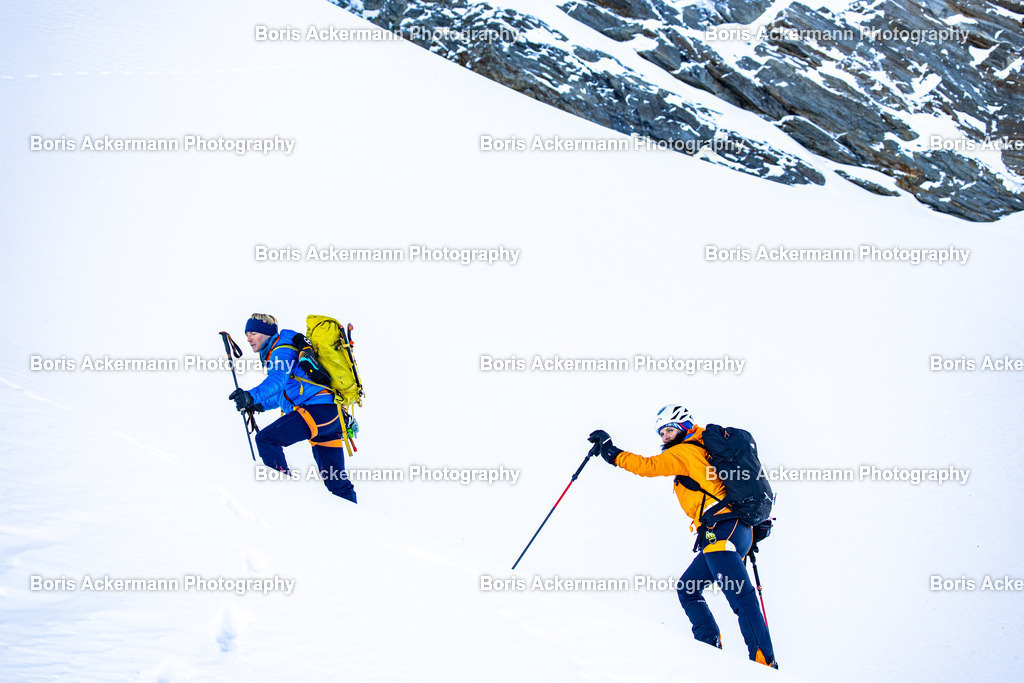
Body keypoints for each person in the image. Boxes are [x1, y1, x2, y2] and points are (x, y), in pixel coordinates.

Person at [588, 405, 776, 668]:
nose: (664, 436)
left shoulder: (685, 451)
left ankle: (763, 662)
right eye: (661, 432)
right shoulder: (704, 450)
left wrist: (611, 452)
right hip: (735, 530)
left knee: (741, 597)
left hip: (721, 530)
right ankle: (708, 647)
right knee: (688, 589)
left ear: (685, 427)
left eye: (669, 429)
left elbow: (647, 466)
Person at [228, 313, 357, 503]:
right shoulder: (281, 349)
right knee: (337, 483)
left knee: (266, 440)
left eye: (253, 333)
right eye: (247, 334)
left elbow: (278, 381)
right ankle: (357, 524)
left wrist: (251, 395)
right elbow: (285, 394)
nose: (248, 338)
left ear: (265, 332)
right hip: (330, 417)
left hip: (317, 412)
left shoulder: (280, 348)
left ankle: (284, 497)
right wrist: (258, 405)